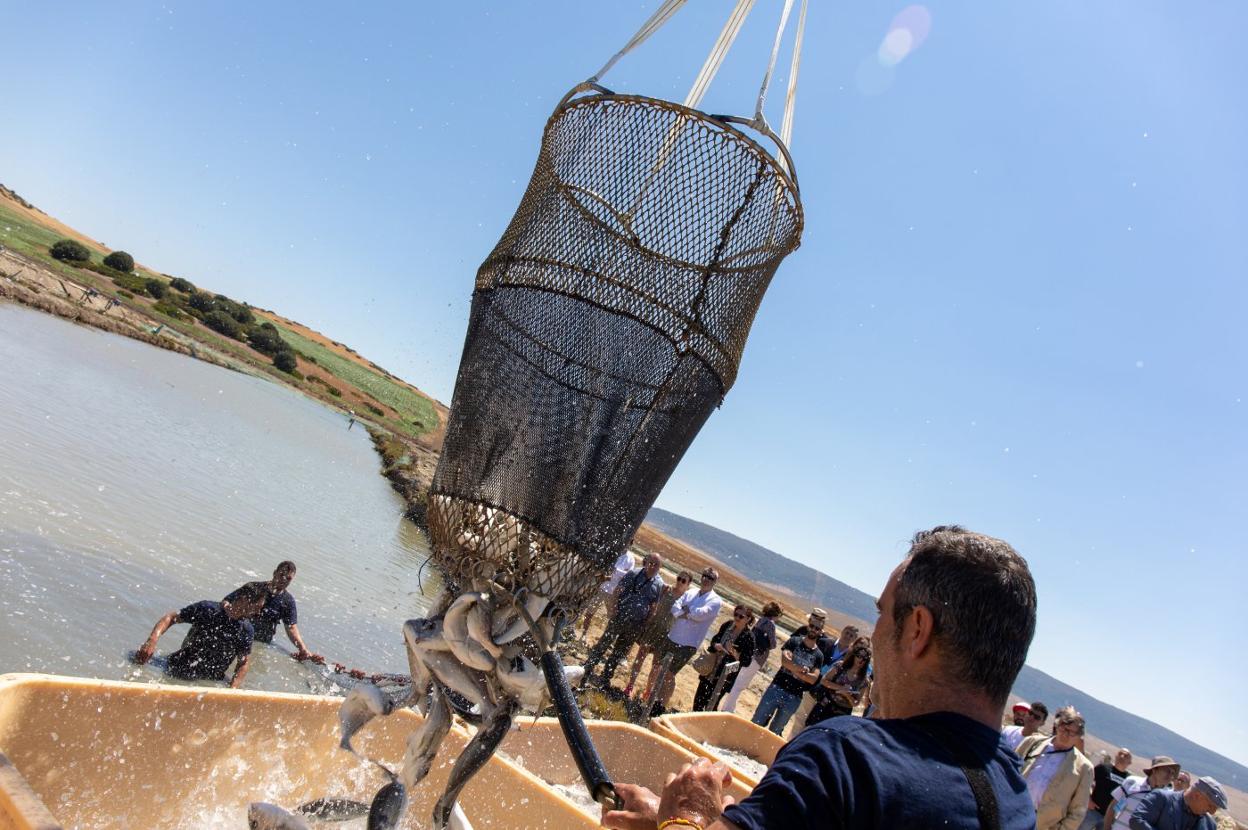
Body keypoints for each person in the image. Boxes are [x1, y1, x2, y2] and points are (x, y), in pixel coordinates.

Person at [603, 525, 1040, 830]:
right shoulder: (1012, 798)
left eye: (882, 614)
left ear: (917, 631)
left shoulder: (846, 762)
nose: (875, 634)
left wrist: (687, 816)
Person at [134, 581, 269, 688]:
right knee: (135, 661)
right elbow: (170, 618)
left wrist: (232, 689)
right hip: (179, 668)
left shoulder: (246, 630)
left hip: (210, 682)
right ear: (244, 600)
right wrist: (151, 641)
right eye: (257, 607)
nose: (258, 613)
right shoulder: (207, 609)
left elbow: (243, 664)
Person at [583, 553, 666, 688]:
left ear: (660, 567)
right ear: (646, 562)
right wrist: (614, 609)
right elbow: (617, 591)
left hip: (636, 625)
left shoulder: (659, 584)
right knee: (604, 643)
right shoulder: (634, 573)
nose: (652, 566)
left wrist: (646, 622)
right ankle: (588, 667)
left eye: (656, 564)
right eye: (650, 563)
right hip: (620, 617)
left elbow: (654, 605)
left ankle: (605, 677)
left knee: (619, 652)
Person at [645, 567, 723, 709]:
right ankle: (651, 700)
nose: (706, 579)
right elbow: (675, 607)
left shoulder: (715, 600)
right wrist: (687, 612)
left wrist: (686, 610)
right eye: (705, 575)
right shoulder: (691, 592)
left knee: (669, 675)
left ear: (715, 581)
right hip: (672, 636)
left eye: (710, 578)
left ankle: (660, 705)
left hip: (688, 644)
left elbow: (701, 614)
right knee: (659, 668)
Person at [225, 561, 321, 662]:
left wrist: (303, 650)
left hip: (261, 643)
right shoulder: (253, 587)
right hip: (240, 635)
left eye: (288, 578)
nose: (283, 579)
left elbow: (291, 628)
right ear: (274, 573)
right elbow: (227, 601)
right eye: (281, 575)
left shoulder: (287, 601)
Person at [1017, 709, 1094, 829]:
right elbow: (1007, 773)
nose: (1067, 735)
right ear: (1057, 726)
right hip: (1012, 814)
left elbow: (1078, 811)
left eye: (1073, 733)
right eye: (1064, 729)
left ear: (1079, 737)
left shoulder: (1084, 768)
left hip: (1043, 825)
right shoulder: (1032, 743)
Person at [750, 613, 826, 735]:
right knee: (757, 721)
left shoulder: (819, 656)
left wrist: (793, 667)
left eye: (817, 628)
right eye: (812, 626)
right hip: (777, 687)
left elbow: (813, 679)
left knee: (776, 730)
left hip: (794, 697)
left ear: (821, 632)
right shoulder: (794, 641)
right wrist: (802, 670)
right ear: (808, 626)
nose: (813, 629)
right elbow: (785, 662)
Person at [624, 571, 691, 698]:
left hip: (666, 635)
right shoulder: (666, 589)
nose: (680, 581)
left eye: (684, 580)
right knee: (640, 657)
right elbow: (654, 604)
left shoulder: (686, 600)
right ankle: (630, 686)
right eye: (679, 578)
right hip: (653, 629)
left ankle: (647, 692)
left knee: (656, 666)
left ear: (688, 584)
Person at [718, 601, 780, 714]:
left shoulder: (760, 620)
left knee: (737, 681)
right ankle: (727, 709)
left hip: (750, 654)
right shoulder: (770, 624)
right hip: (757, 658)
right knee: (740, 684)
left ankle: (727, 706)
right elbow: (773, 644)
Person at [692, 604, 755, 712]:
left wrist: (733, 652)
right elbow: (714, 640)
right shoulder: (727, 625)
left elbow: (747, 661)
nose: (737, 618)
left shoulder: (748, 637)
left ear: (748, 619)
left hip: (725, 677)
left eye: (741, 616)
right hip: (710, 669)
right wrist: (716, 645)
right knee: (698, 700)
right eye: (736, 614)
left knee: (711, 704)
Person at [806, 639, 871, 726]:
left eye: (865, 658)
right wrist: (840, 688)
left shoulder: (864, 680)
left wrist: (847, 695)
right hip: (825, 705)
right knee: (810, 729)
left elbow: (856, 703)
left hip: (842, 714)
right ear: (854, 655)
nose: (861, 660)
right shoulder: (840, 666)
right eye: (859, 656)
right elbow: (824, 681)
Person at [1106, 756, 1181, 829]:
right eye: (1167, 771)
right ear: (1154, 770)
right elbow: (1113, 808)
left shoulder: (1169, 798)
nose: (1170, 775)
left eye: (1173, 773)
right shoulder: (1132, 782)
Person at [1126, 776, 1226, 830]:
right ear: (1197, 795)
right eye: (1210, 806)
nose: (1212, 812)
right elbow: (1136, 820)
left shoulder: (1210, 825)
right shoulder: (1162, 798)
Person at [580, 549, 636, 639]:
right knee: (589, 612)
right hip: (601, 587)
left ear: (631, 543)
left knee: (612, 618)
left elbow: (629, 575)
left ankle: (605, 639)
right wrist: (618, 572)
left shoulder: (630, 559)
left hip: (614, 593)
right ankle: (583, 635)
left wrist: (616, 570)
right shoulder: (613, 551)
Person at [1080, 747, 1133, 830]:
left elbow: (1125, 798)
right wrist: (1088, 799)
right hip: (1092, 811)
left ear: (1130, 762)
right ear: (1115, 756)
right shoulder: (1103, 768)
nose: (1122, 756)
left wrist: (1116, 814)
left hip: (1108, 818)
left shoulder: (1129, 779)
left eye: (1126, 756)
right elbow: (1086, 782)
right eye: (1120, 754)